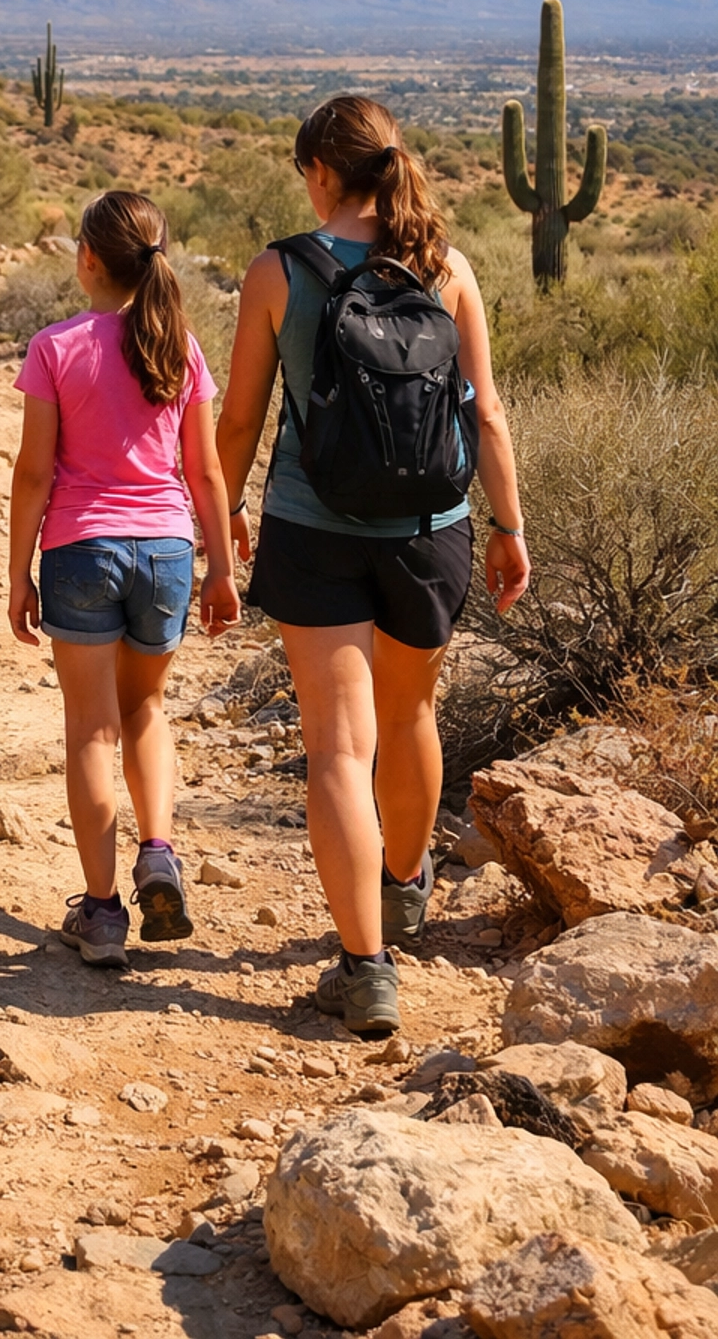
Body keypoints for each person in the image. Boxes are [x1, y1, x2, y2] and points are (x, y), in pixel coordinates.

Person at [215, 95, 531, 1038]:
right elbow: (487, 413)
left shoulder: (279, 272)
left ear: (320, 173)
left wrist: (220, 513)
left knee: (337, 749)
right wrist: (509, 525)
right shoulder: (449, 267)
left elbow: (240, 417)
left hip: (314, 529)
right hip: (431, 528)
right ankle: (401, 887)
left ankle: (366, 969)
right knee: (411, 715)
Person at [7, 190, 238, 969]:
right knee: (146, 708)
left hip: (82, 549)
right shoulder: (183, 348)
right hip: (168, 551)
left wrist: (18, 576)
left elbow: (34, 474)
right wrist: (222, 570)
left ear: (89, 259)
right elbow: (204, 473)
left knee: (89, 728)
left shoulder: (56, 346)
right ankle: (160, 852)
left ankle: (103, 912)